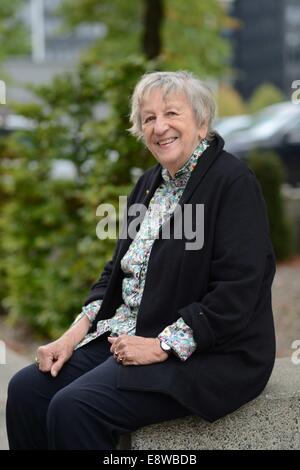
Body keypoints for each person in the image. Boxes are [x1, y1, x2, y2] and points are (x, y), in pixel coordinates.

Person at [6, 71, 276, 450]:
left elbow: (240, 289)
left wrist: (161, 345)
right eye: (148, 118)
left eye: (171, 113)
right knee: (27, 391)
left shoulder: (232, 182)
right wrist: (70, 338)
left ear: (201, 122)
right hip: (131, 331)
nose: (159, 126)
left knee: (74, 407)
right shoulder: (149, 183)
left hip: (211, 353)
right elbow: (114, 274)